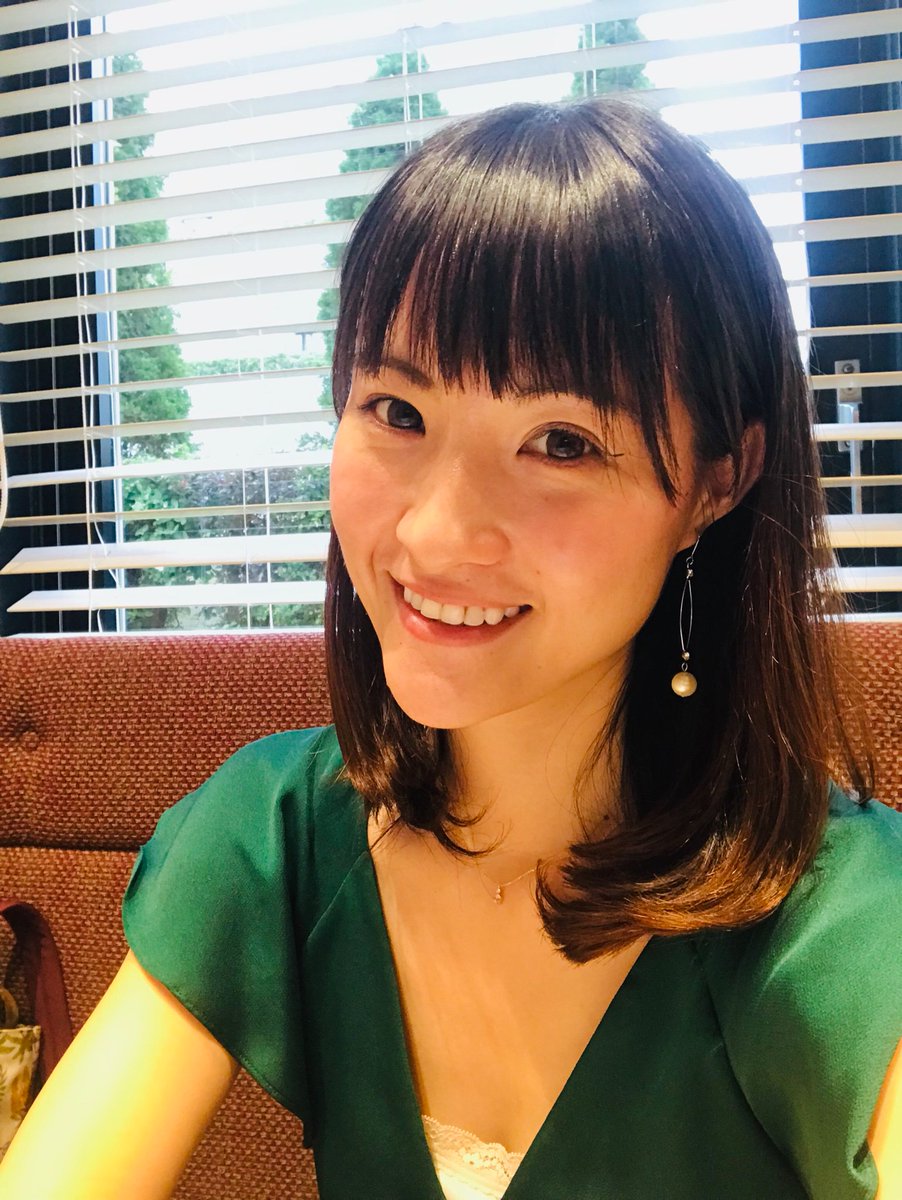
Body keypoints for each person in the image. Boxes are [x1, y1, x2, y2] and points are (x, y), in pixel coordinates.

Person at [0, 96, 899, 1200]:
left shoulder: (837, 919)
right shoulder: (277, 837)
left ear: (716, 481)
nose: (430, 535)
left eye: (559, 441)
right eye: (396, 411)